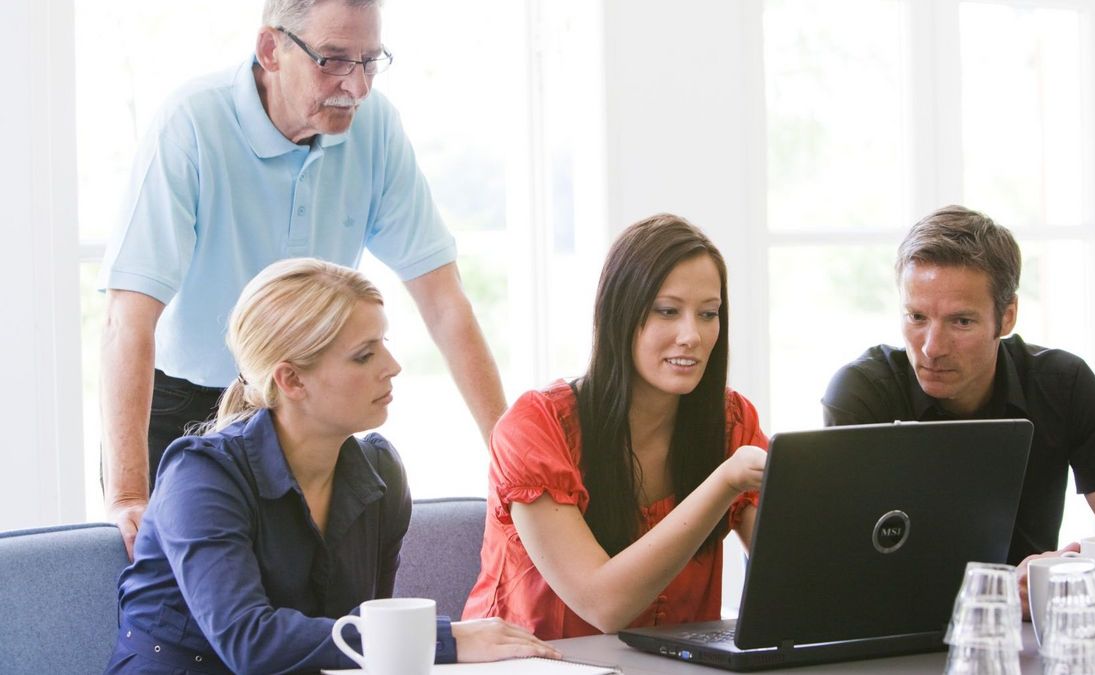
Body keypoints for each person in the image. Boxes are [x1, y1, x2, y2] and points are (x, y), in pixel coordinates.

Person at [99, 0, 506, 559]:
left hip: (300, 405)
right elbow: (128, 318)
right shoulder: (192, 122)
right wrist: (126, 492)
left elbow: (444, 303)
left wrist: (510, 457)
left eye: (370, 60)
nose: (356, 87)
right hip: (184, 409)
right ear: (271, 49)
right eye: (334, 60)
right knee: (189, 622)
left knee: (304, 603)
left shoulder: (375, 126)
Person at [104, 259, 555, 673]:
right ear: (292, 379)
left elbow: (364, 633)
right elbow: (249, 641)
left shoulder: (380, 472)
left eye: (385, 344)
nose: (393, 366)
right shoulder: (201, 475)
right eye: (365, 354)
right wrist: (445, 639)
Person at [821, 205, 1095, 614]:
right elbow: (848, 576)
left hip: (1030, 644)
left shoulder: (1062, 385)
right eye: (917, 317)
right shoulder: (863, 394)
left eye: (961, 322)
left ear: (1007, 315)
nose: (931, 347)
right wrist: (998, 592)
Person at [461, 214, 768, 639]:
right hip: (533, 665)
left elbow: (793, 580)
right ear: (618, 315)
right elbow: (603, 606)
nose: (692, 335)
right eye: (667, 311)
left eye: (708, 314)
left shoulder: (732, 421)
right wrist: (726, 481)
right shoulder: (535, 427)